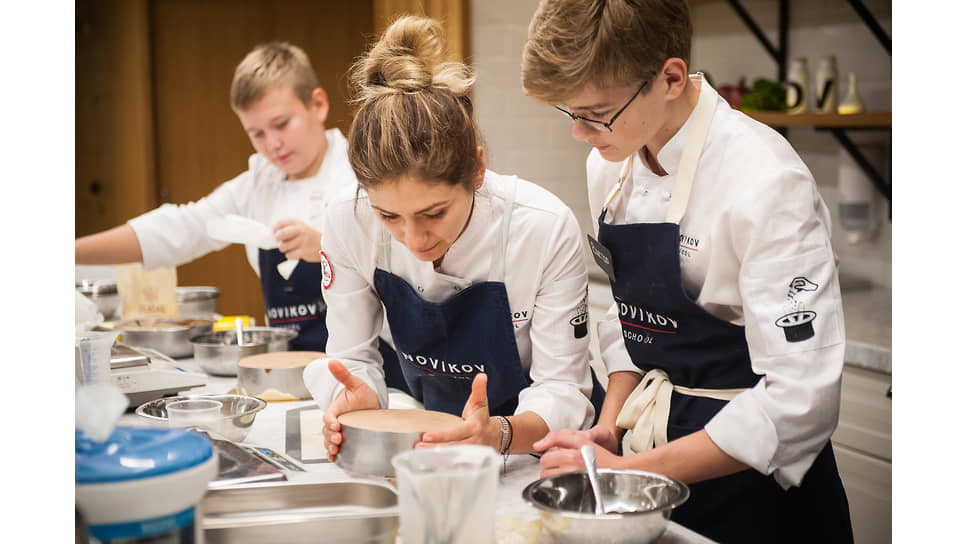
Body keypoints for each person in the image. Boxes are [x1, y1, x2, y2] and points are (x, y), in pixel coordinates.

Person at [520, 1, 853, 542]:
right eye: (569, 112)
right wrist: (608, 429)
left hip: (759, 494)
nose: (580, 133)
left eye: (597, 112)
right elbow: (632, 324)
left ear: (670, 78)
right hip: (647, 464)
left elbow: (801, 401)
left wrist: (632, 473)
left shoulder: (765, 180)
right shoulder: (610, 162)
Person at [303, 15, 604, 462]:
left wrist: (498, 434)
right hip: (438, 441)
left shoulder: (541, 228)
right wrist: (357, 402)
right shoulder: (348, 219)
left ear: (477, 170)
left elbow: (561, 387)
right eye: (389, 216)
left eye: (434, 212)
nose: (412, 238)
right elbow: (352, 356)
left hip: (540, 450)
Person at [74, 42, 398, 369]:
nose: (272, 144)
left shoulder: (362, 175)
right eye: (256, 133)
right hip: (291, 367)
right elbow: (180, 228)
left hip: (372, 366)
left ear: (318, 104)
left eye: (282, 124)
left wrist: (328, 249)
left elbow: (406, 267)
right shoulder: (258, 183)